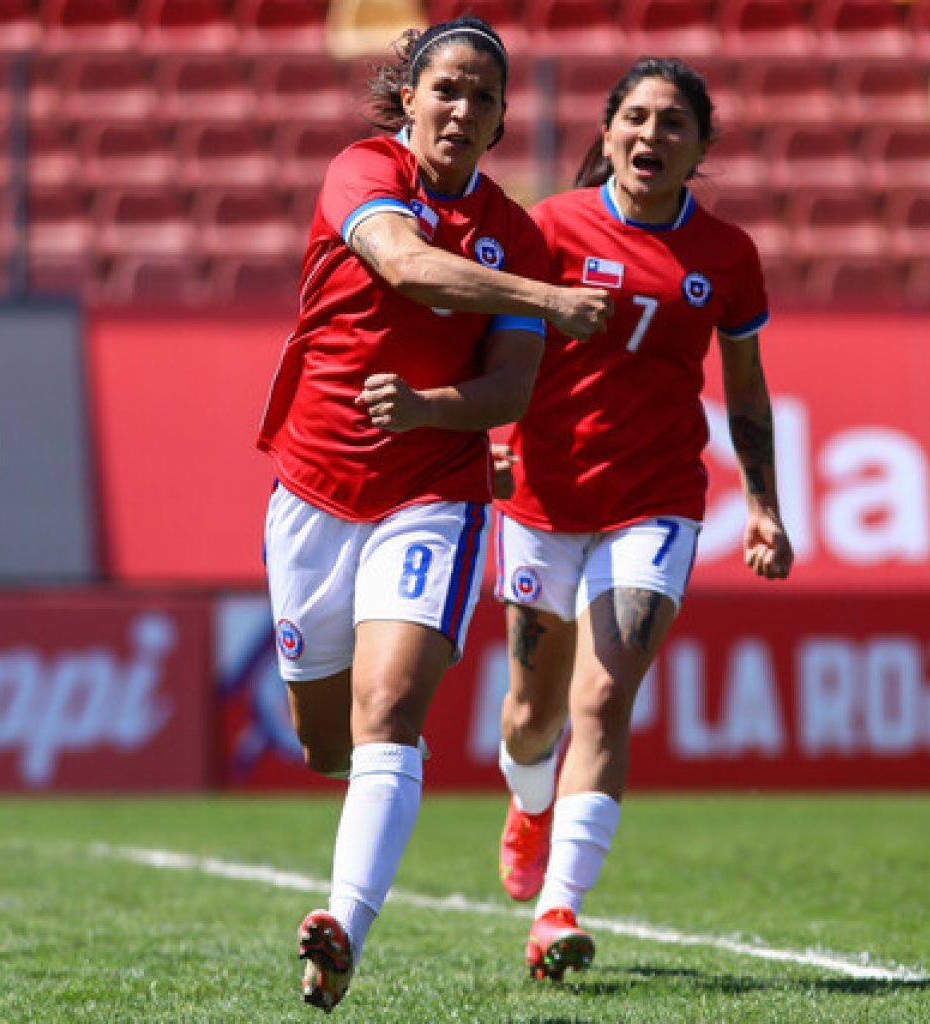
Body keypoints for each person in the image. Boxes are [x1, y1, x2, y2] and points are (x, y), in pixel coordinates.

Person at [256, 16, 612, 1013]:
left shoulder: (516, 230)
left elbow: (507, 391)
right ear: (406, 98)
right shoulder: (361, 172)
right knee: (324, 740)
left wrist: (424, 410)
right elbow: (405, 266)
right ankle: (349, 825)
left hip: (432, 499)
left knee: (390, 710)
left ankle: (341, 929)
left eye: (482, 96)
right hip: (312, 489)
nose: (460, 108)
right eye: (445, 88)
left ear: (501, 122)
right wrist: (542, 295)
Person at [492, 57, 795, 981]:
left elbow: (744, 385)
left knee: (603, 698)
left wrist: (764, 504)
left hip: (656, 500)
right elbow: (501, 337)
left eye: (673, 123)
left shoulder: (727, 256)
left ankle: (559, 909)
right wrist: (497, 432)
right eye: (637, 118)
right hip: (544, 495)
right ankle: (530, 804)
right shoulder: (550, 226)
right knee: (529, 719)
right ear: (608, 129)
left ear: (701, 147)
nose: (652, 136)